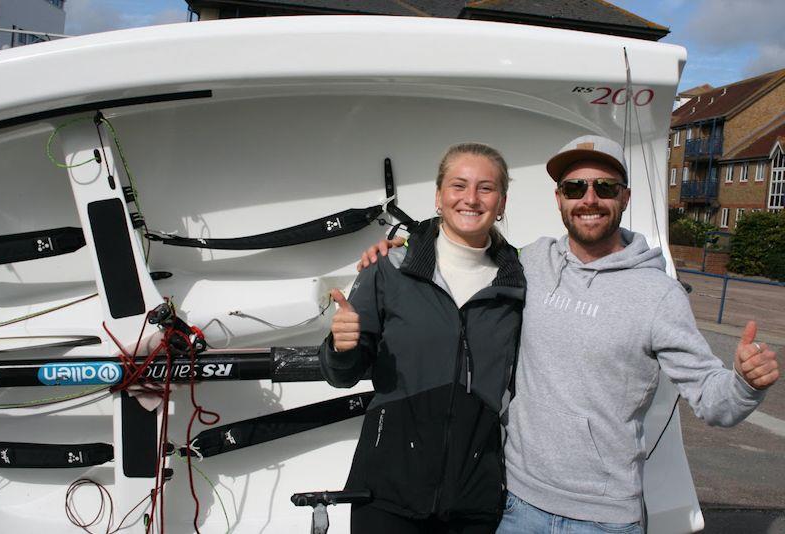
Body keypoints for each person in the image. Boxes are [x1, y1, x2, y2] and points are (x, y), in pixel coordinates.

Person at [358, 135, 780, 534]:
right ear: (559, 199)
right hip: (515, 505)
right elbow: (466, 249)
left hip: (604, 518)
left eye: (605, 187)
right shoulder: (531, 262)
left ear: (625, 198)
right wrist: (404, 249)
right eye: (575, 187)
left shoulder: (658, 295)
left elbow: (714, 402)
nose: (589, 199)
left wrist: (744, 382)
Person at [319, 143, 526, 534]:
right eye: (458, 185)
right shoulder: (390, 268)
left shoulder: (519, 282)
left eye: (486, 188)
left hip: (475, 499)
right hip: (386, 495)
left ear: (501, 203)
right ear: (438, 196)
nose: (470, 198)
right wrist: (340, 348)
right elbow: (342, 375)